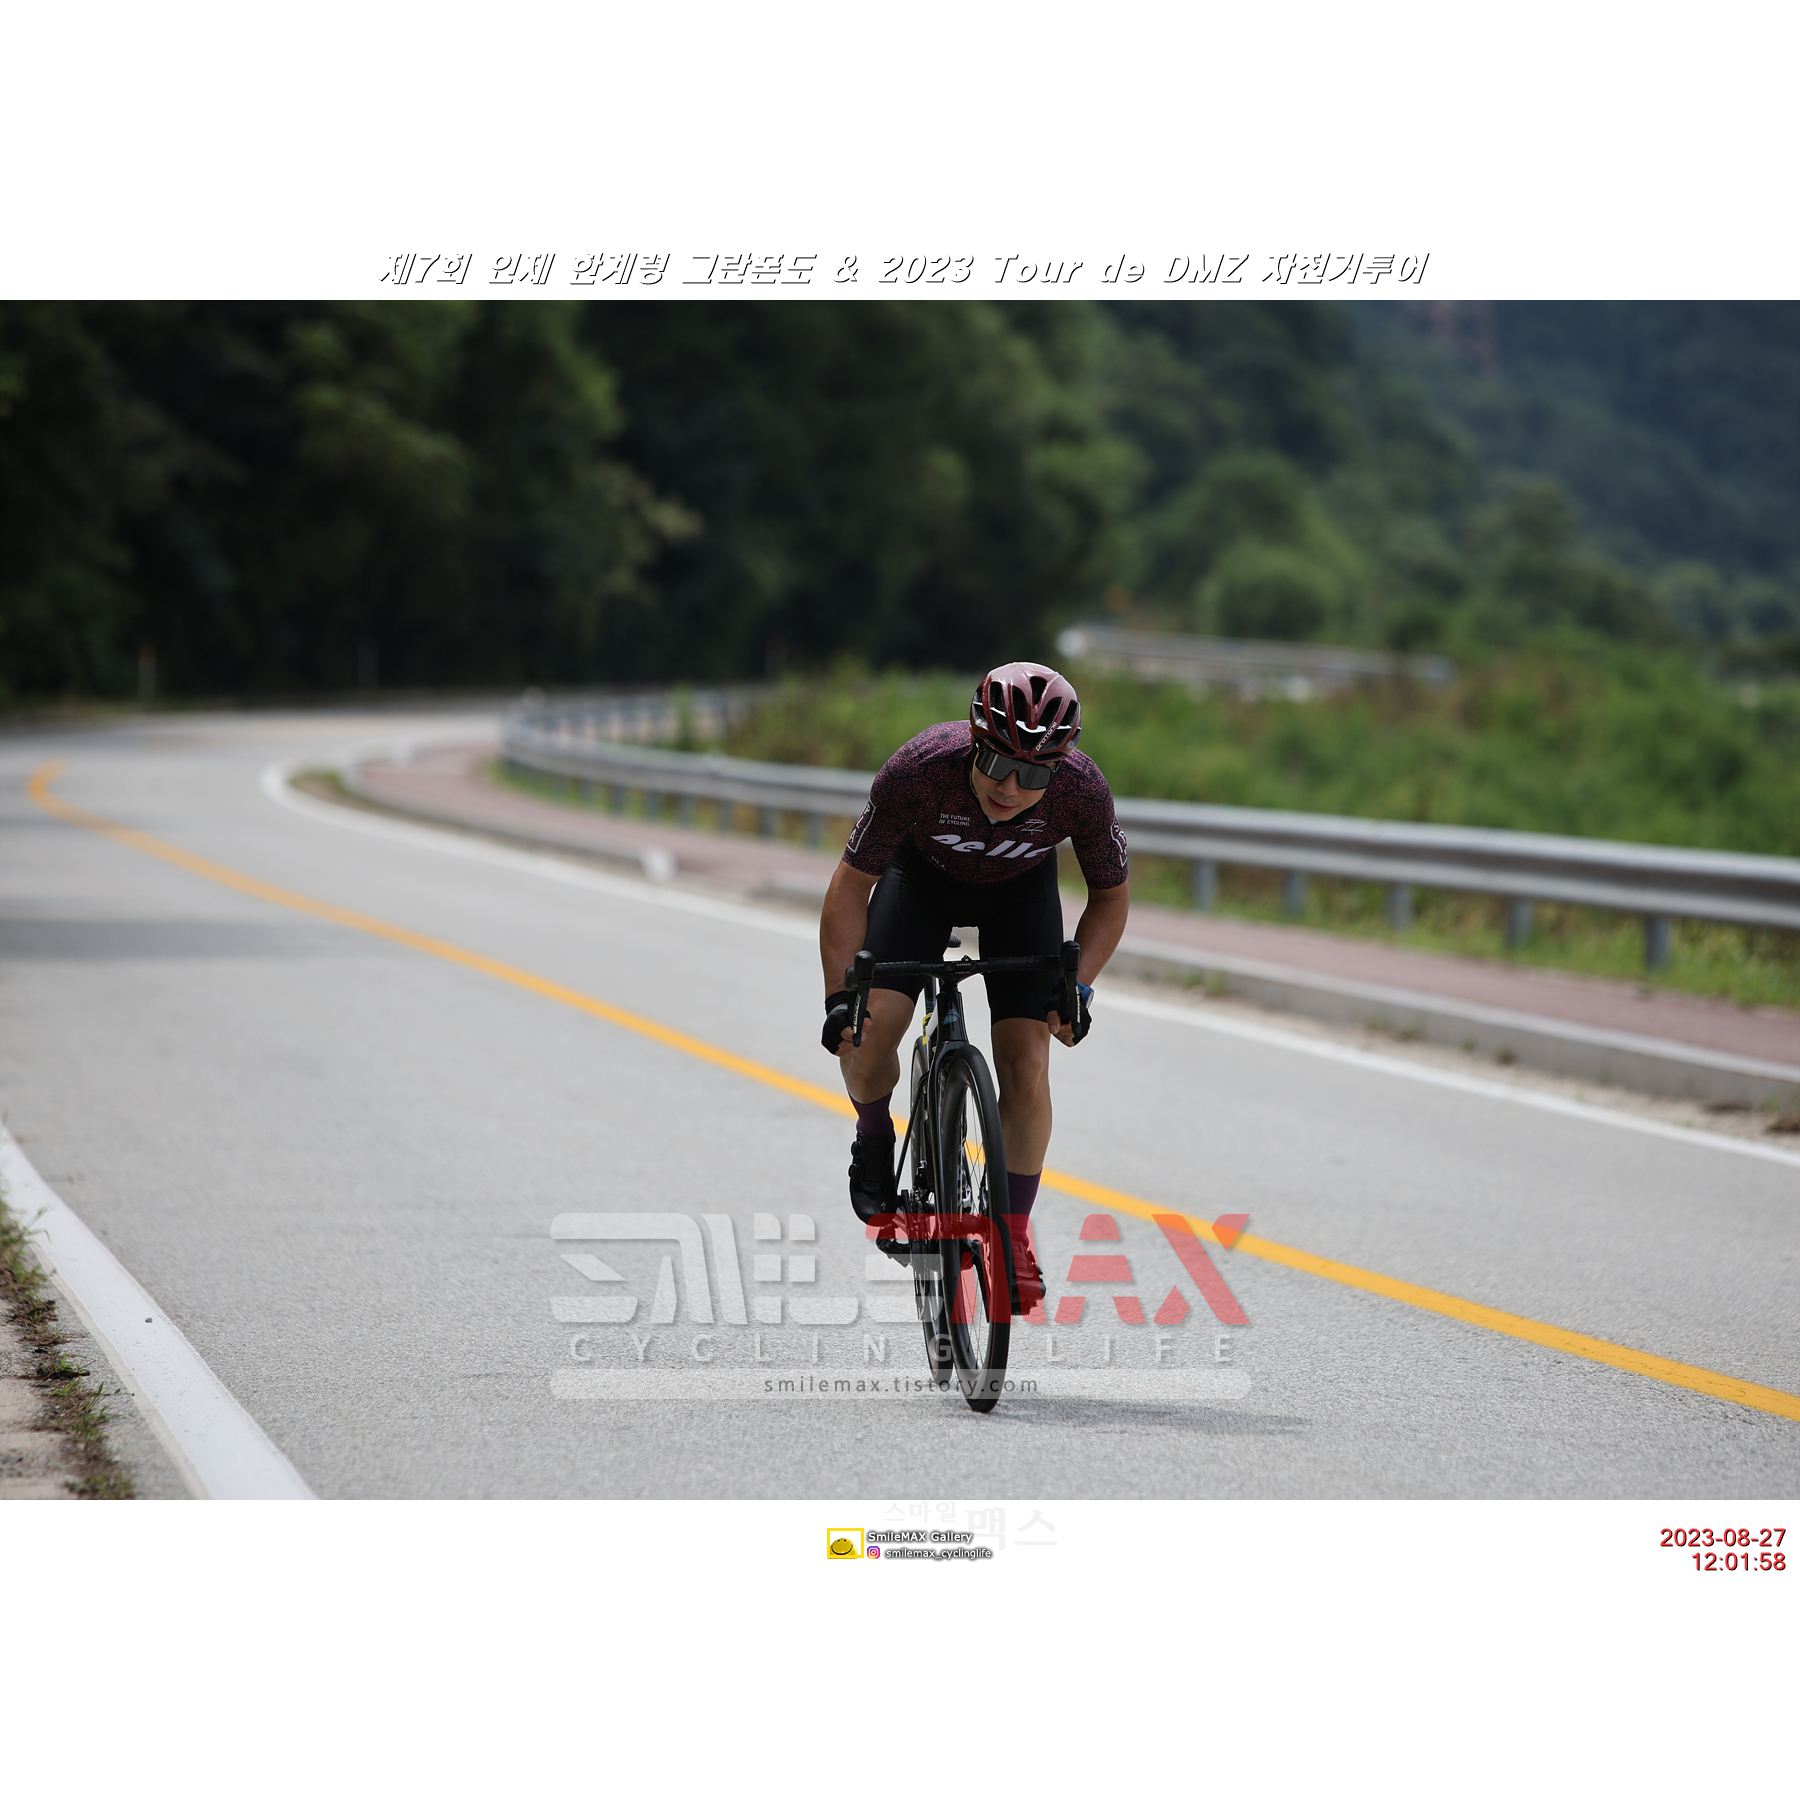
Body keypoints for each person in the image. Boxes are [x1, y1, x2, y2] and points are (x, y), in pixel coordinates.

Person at [818, 662, 1131, 1309]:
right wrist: (840, 999)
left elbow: (1111, 898)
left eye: (1034, 775)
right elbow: (849, 888)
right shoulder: (922, 767)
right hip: (921, 883)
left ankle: (1010, 1237)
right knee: (867, 1036)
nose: (1012, 788)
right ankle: (874, 1136)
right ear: (973, 740)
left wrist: (1079, 988)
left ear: (1059, 768)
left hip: (1020, 896)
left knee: (1027, 1066)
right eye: (997, 764)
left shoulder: (1082, 790)